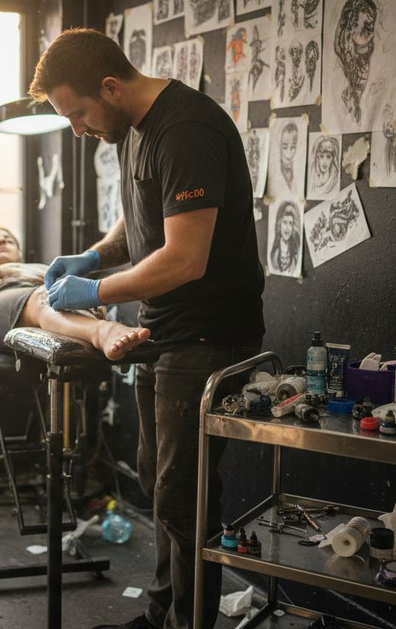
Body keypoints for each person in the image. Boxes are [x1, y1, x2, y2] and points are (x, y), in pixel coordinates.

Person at [29, 28, 265, 629]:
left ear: (110, 87)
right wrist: (94, 256)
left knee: (184, 501)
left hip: (208, 340)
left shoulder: (186, 128)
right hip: (164, 334)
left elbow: (186, 258)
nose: (77, 131)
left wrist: (96, 292)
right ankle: (163, 615)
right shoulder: (131, 129)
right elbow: (137, 219)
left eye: (78, 114)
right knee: (162, 492)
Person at [0, 227, 150, 360]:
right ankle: (102, 332)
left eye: (9, 240)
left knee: (49, 296)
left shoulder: (40, 267)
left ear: (20, 255)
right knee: (43, 298)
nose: (2, 242)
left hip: (42, 300)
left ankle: (99, 329)